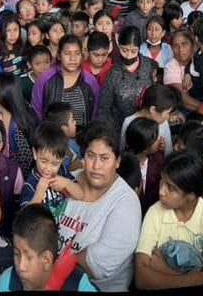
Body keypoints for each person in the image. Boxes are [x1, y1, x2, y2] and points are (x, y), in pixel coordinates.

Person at [54, 120, 142, 292]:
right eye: (90, 155)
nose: (96, 166)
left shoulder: (126, 202)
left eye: (104, 158)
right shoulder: (70, 179)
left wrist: (59, 264)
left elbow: (99, 266)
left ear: (117, 161)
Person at [134, 153, 203, 289]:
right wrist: (189, 280)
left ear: (191, 197)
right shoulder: (155, 211)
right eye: (162, 181)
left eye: (171, 188)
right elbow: (141, 278)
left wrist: (164, 269)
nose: (161, 191)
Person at [0, 203, 97, 291]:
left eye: (28, 257)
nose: (20, 267)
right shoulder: (8, 282)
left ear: (46, 259)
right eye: (17, 254)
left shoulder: (78, 285)